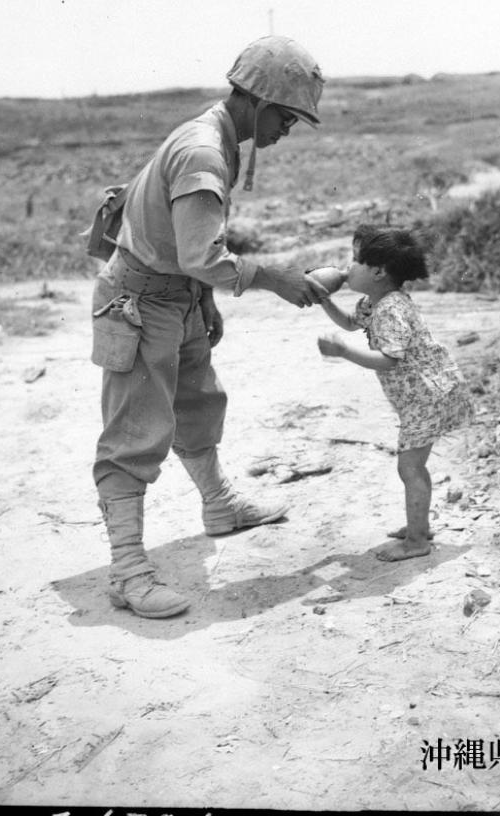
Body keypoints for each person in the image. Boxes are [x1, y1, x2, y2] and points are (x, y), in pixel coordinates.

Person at [92, 36, 328, 619]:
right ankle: (127, 572)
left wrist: (204, 300)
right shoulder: (204, 151)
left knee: (197, 404)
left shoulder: (215, 136)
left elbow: (189, 251)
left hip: (177, 295)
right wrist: (275, 279)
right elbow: (201, 253)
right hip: (140, 301)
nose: (287, 131)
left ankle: (219, 505)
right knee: (135, 434)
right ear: (258, 101)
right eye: (288, 118)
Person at [316, 224, 473, 561]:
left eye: (355, 261)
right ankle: (418, 526)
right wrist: (324, 300)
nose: (348, 267)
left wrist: (343, 352)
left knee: (410, 469)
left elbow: (389, 359)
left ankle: (417, 541)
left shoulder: (391, 309)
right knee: (413, 467)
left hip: (426, 397)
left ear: (377, 271)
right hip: (422, 396)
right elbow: (349, 322)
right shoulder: (375, 302)